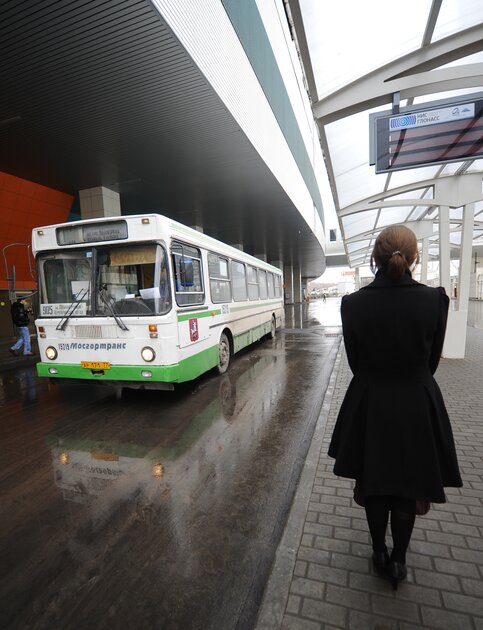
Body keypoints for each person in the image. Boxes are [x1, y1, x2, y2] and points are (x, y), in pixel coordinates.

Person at [328, 225, 462, 590]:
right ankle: (399, 560)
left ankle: (378, 550)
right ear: (413, 256)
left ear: (375, 256)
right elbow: (431, 361)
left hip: (370, 402)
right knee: (407, 485)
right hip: (417, 402)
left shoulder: (353, 303)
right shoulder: (435, 300)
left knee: (375, 482)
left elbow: (355, 362)